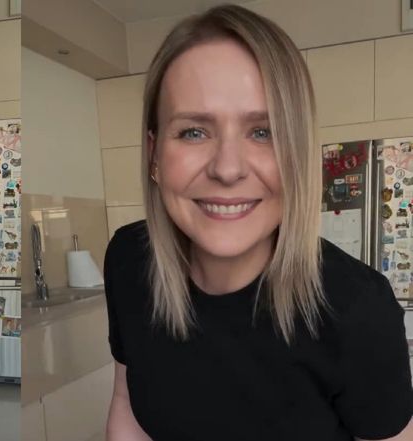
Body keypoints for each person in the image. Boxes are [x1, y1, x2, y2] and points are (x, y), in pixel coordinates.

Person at [104, 5, 413, 441]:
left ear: (297, 153)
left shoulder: (358, 310)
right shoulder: (128, 260)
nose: (227, 169)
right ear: (154, 153)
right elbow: (126, 405)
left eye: (263, 132)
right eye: (194, 131)